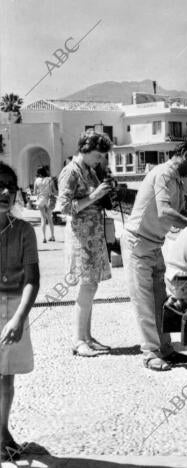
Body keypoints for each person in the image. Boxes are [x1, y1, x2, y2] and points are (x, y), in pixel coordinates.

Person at [120, 142, 187, 372]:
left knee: (159, 300)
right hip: (139, 242)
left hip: (154, 244)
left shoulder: (174, 178)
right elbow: (164, 211)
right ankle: (150, 353)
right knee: (145, 301)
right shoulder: (165, 174)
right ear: (184, 155)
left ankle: (165, 348)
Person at [56, 130, 113, 358]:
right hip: (81, 236)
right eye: (98, 155)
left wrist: (104, 194)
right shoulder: (70, 171)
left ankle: (87, 337)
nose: (100, 160)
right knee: (86, 286)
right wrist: (96, 195)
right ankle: (79, 340)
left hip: (92, 234)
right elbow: (64, 207)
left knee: (91, 286)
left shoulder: (88, 170)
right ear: (86, 150)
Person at [0, 163, 40, 462]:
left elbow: (32, 279)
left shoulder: (24, 230)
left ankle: (2, 432)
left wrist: (18, 317)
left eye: (11, 188)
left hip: (14, 308)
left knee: (6, 378)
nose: (5, 192)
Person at [33, 166, 56, 243]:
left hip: (40, 201)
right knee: (50, 219)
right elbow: (54, 191)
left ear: (38, 173)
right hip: (49, 200)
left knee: (43, 219)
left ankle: (44, 237)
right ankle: (52, 236)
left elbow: (35, 192)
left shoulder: (36, 180)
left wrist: (40, 192)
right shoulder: (50, 180)